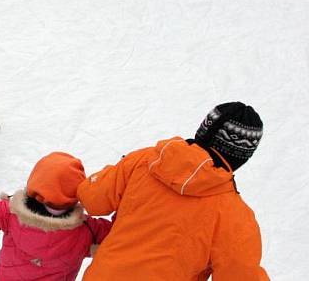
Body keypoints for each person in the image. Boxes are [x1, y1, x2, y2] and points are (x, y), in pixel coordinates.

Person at [77, 102, 267, 279]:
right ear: (242, 158)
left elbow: (92, 198)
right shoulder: (234, 216)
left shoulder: (145, 161)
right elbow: (241, 274)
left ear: (203, 130)